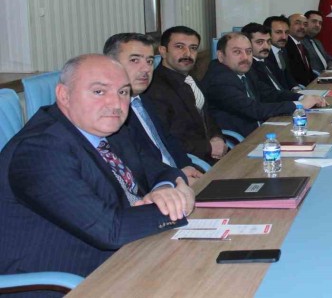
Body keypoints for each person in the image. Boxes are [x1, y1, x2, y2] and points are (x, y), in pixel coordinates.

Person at [0, 54, 193, 281]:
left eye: (123, 92)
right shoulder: (40, 150)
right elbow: (110, 231)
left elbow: (160, 170)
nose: (115, 104)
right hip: (68, 277)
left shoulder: (112, 130)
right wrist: (177, 205)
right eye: (99, 91)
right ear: (64, 95)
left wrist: (165, 189)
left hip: (129, 252)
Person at [104, 33, 204, 185]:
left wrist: (187, 166)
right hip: (156, 187)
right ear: (111, 64)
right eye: (134, 60)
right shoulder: (108, 112)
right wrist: (175, 178)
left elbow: (169, 139)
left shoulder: (145, 98)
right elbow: (136, 163)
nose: (146, 69)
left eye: (150, 61)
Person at [201, 32, 326, 136]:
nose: (245, 57)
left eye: (249, 51)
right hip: (240, 142)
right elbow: (254, 109)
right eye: (237, 52)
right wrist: (299, 105)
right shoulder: (219, 79)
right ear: (221, 56)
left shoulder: (244, 70)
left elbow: (270, 94)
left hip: (260, 130)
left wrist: (302, 97)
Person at [143, 26, 227, 163]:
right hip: (189, 163)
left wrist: (217, 137)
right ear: (163, 51)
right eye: (179, 47)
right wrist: (208, 147)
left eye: (193, 48)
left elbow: (207, 117)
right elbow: (165, 138)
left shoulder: (191, 79)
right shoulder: (155, 88)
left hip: (212, 156)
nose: (187, 53)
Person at [263, 15, 301, 91]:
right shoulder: (263, 54)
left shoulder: (283, 50)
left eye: (286, 32)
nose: (284, 37)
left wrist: (295, 87)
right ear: (267, 34)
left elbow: (287, 75)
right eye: (278, 32)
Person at [285, 13, 318, 86]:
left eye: (305, 24)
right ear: (287, 26)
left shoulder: (302, 46)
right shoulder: (285, 46)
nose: (302, 27)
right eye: (297, 23)